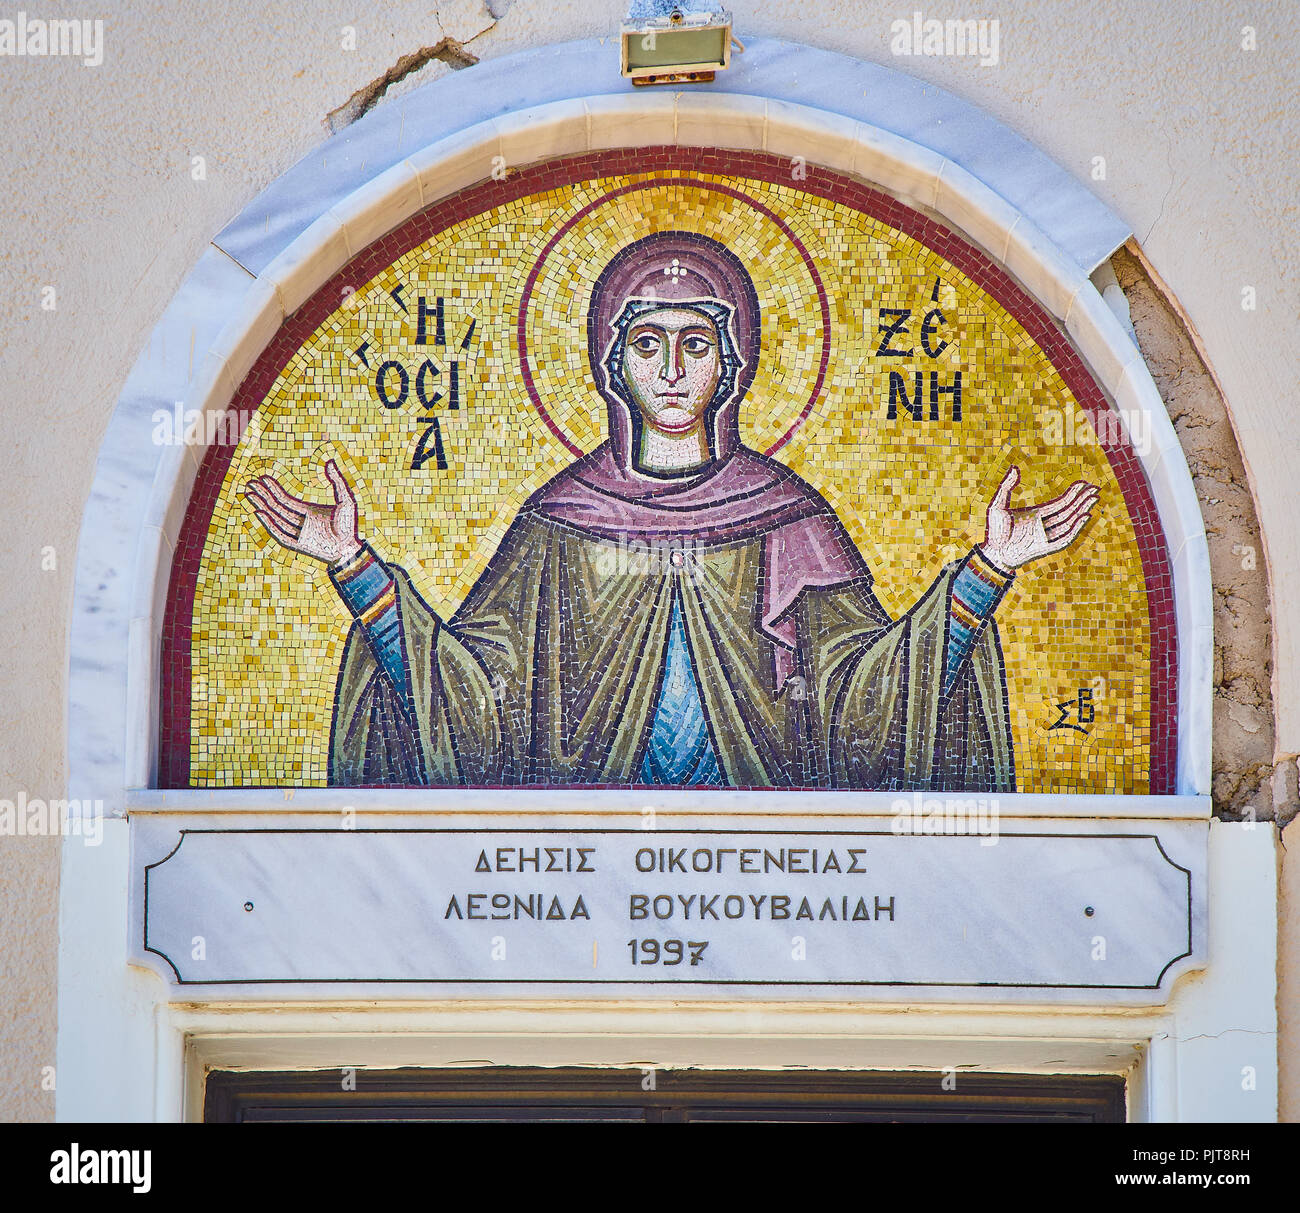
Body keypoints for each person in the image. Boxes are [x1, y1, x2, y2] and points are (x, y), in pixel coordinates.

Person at [246, 231, 1097, 790]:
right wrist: (354, 566)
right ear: (611, 364)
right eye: (647, 344)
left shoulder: (788, 519)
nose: (673, 370)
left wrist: (987, 572)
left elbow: (862, 708)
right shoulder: (559, 523)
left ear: (734, 363)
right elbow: (479, 705)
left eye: (698, 343)